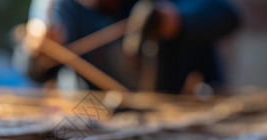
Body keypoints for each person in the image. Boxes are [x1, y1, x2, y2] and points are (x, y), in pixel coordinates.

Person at [16, 0, 241, 94]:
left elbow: (226, 14)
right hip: (93, 118)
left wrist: (173, 21)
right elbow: (32, 71)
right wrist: (36, 51)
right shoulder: (62, 7)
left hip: (176, 114)